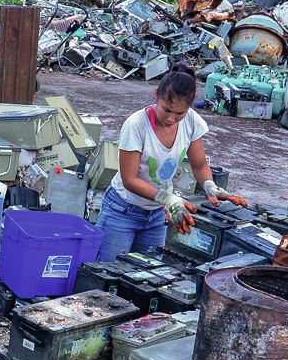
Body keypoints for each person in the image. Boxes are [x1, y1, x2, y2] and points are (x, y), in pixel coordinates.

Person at [95, 70, 245, 261]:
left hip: (156, 214)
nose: (171, 119)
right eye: (166, 109)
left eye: (179, 113)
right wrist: (167, 198)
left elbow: (198, 164)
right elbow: (129, 179)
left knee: (146, 272)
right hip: (123, 210)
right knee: (108, 270)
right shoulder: (136, 125)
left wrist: (210, 186)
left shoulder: (192, 121)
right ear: (156, 95)